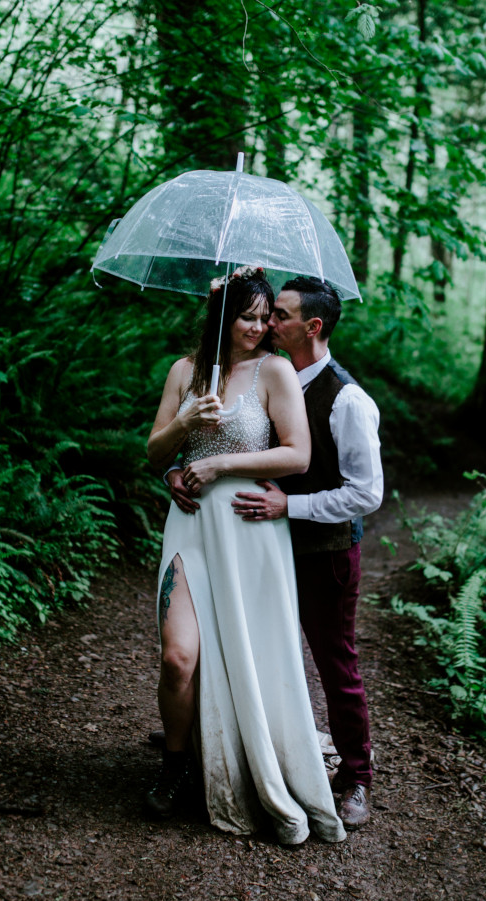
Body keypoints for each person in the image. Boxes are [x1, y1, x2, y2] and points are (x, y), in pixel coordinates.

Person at [171, 276, 383, 829]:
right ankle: (225, 745)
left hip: (322, 547)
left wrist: (290, 507)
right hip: (252, 535)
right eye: (263, 315)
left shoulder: (348, 400)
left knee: (334, 661)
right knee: (245, 646)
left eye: (278, 316)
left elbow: (367, 494)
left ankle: (356, 775)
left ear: (311, 327)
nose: (269, 325)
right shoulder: (245, 373)